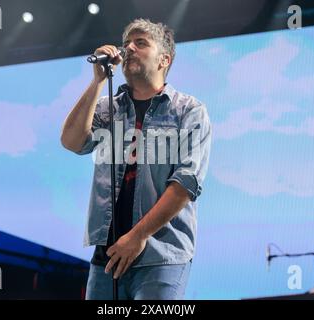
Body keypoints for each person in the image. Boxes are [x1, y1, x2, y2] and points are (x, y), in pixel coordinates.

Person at [61, 18, 211, 300]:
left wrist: (138, 236)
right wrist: (97, 82)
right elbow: (71, 141)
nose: (129, 47)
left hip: (161, 256)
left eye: (140, 42)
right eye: (126, 42)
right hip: (108, 257)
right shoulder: (109, 107)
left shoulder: (189, 111)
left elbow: (184, 185)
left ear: (164, 59)